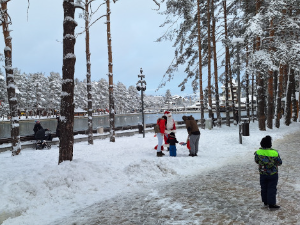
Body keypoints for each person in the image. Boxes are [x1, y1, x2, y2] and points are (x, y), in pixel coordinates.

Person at [254, 135, 282, 210]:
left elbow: (256, 161)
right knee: (272, 188)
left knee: (264, 187)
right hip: (273, 174)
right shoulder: (274, 153)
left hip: (263, 173)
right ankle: (271, 204)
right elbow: (279, 162)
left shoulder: (258, 152)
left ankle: (265, 201)